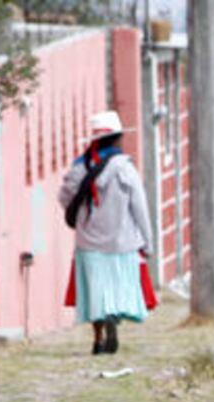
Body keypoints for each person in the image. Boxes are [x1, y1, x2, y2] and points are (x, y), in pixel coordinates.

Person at [58, 110, 153, 355]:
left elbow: (64, 197)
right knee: (118, 289)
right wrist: (147, 241)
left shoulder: (80, 168)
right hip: (122, 242)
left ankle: (98, 337)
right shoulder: (126, 169)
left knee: (95, 292)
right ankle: (113, 322)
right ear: (118, 138)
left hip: (89, 243)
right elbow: (139, 207)